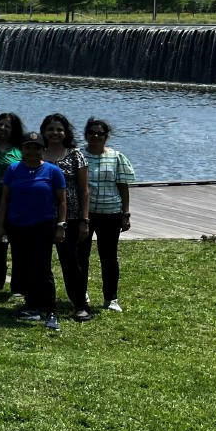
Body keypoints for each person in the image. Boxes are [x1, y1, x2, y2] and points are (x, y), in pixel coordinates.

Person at [0, 130, 68, 331]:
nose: (32, 151)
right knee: (23, 266)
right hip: (17, 225)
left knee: (42, 268)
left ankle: (51, 310)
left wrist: (61, 226)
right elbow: (5, 199)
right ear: (22, 149)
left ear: (43, 150)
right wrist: (1, 225)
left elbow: (62, 201)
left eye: (36, 148)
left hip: (42, 225)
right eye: (28, 147)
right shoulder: (13, 169)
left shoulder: (53, 171)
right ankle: (31, 305)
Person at [41, 113, 91, 321]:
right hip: (41, 216)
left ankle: (81, 305)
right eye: (51, 129)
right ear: (44, 131)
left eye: (59, 129)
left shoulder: (75, 154)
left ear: (66, 133)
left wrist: (84, 220)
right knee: (40, 262)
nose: (55, 133)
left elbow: (84, 190)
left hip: (69, 217)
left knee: (70, 262)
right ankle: (42, 303)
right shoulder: (36, 153)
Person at [83, 118, 134, 314]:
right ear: (86, 134)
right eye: (92, 132)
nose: (95, 136)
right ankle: (82, 293)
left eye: (100, 133)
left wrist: (125, 214)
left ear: (106, 137)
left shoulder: (116, 157)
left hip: (111, 213)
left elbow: (123, 186)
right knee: (82, 255)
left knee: (109, 257)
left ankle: (111, 298)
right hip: (85, 214)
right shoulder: (78, 156)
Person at [0, 112, 25, 293]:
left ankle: (18, 286)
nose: (2, 128)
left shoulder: (20, 149)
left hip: (15, 202)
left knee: (17, 245)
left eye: (7, 126)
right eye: (0, 124)